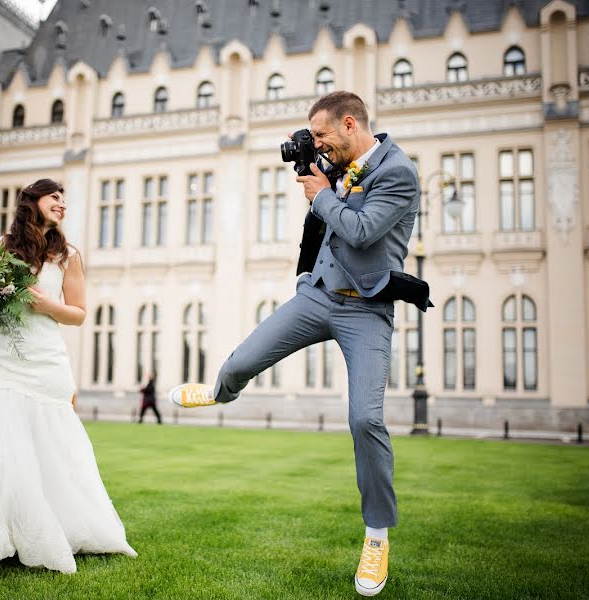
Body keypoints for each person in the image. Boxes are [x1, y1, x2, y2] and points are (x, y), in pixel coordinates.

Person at [170, 91, 420, 597]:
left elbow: (363, 231)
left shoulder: (398, 173)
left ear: (350, 124)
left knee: (366, 419)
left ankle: (376, 537)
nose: (319, 144)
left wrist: (323, 193)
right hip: (318, 297)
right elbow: (321, 227)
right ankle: (219, 393)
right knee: (241, 360)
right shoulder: (335, 165)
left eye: (325, 135)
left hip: (367, 309)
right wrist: (306, 275)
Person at [0, 178, 136, 578]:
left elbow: (78, 313)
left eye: (64, 199)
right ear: (32, 202)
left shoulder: (66, 256)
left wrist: (43, 303)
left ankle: (50, 533)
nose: (62, 204)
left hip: (44, 362)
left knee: (51, 453)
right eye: (54, 196)